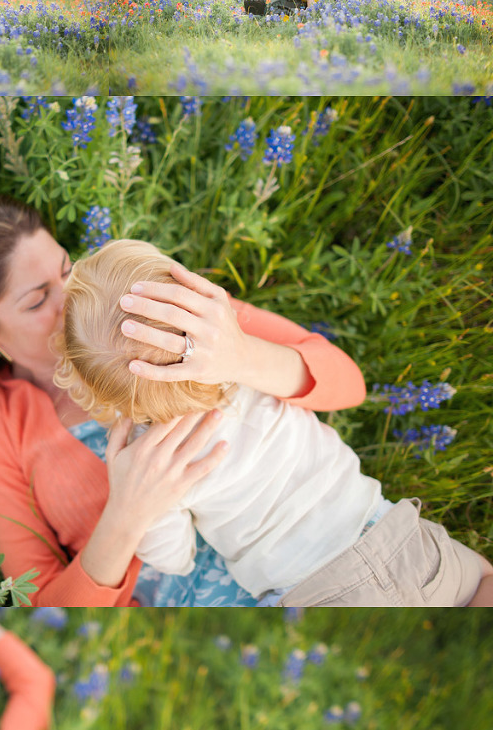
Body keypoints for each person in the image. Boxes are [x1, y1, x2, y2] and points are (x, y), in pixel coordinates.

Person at [0, 196, 379, 614]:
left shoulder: (140, 308)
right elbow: (43, 605)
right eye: (38, 301)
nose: (71, 298)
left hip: (339, 552)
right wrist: (128, 513)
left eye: (66, 269)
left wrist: (242, 355)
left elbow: (347, 383)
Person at [53, 238, 493, 611]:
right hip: (392, 533)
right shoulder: (246, 368)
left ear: (101, 399)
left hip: (314, 594)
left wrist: (145, 514)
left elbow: (175, 560)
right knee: (480, 581)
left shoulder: (157, 468)